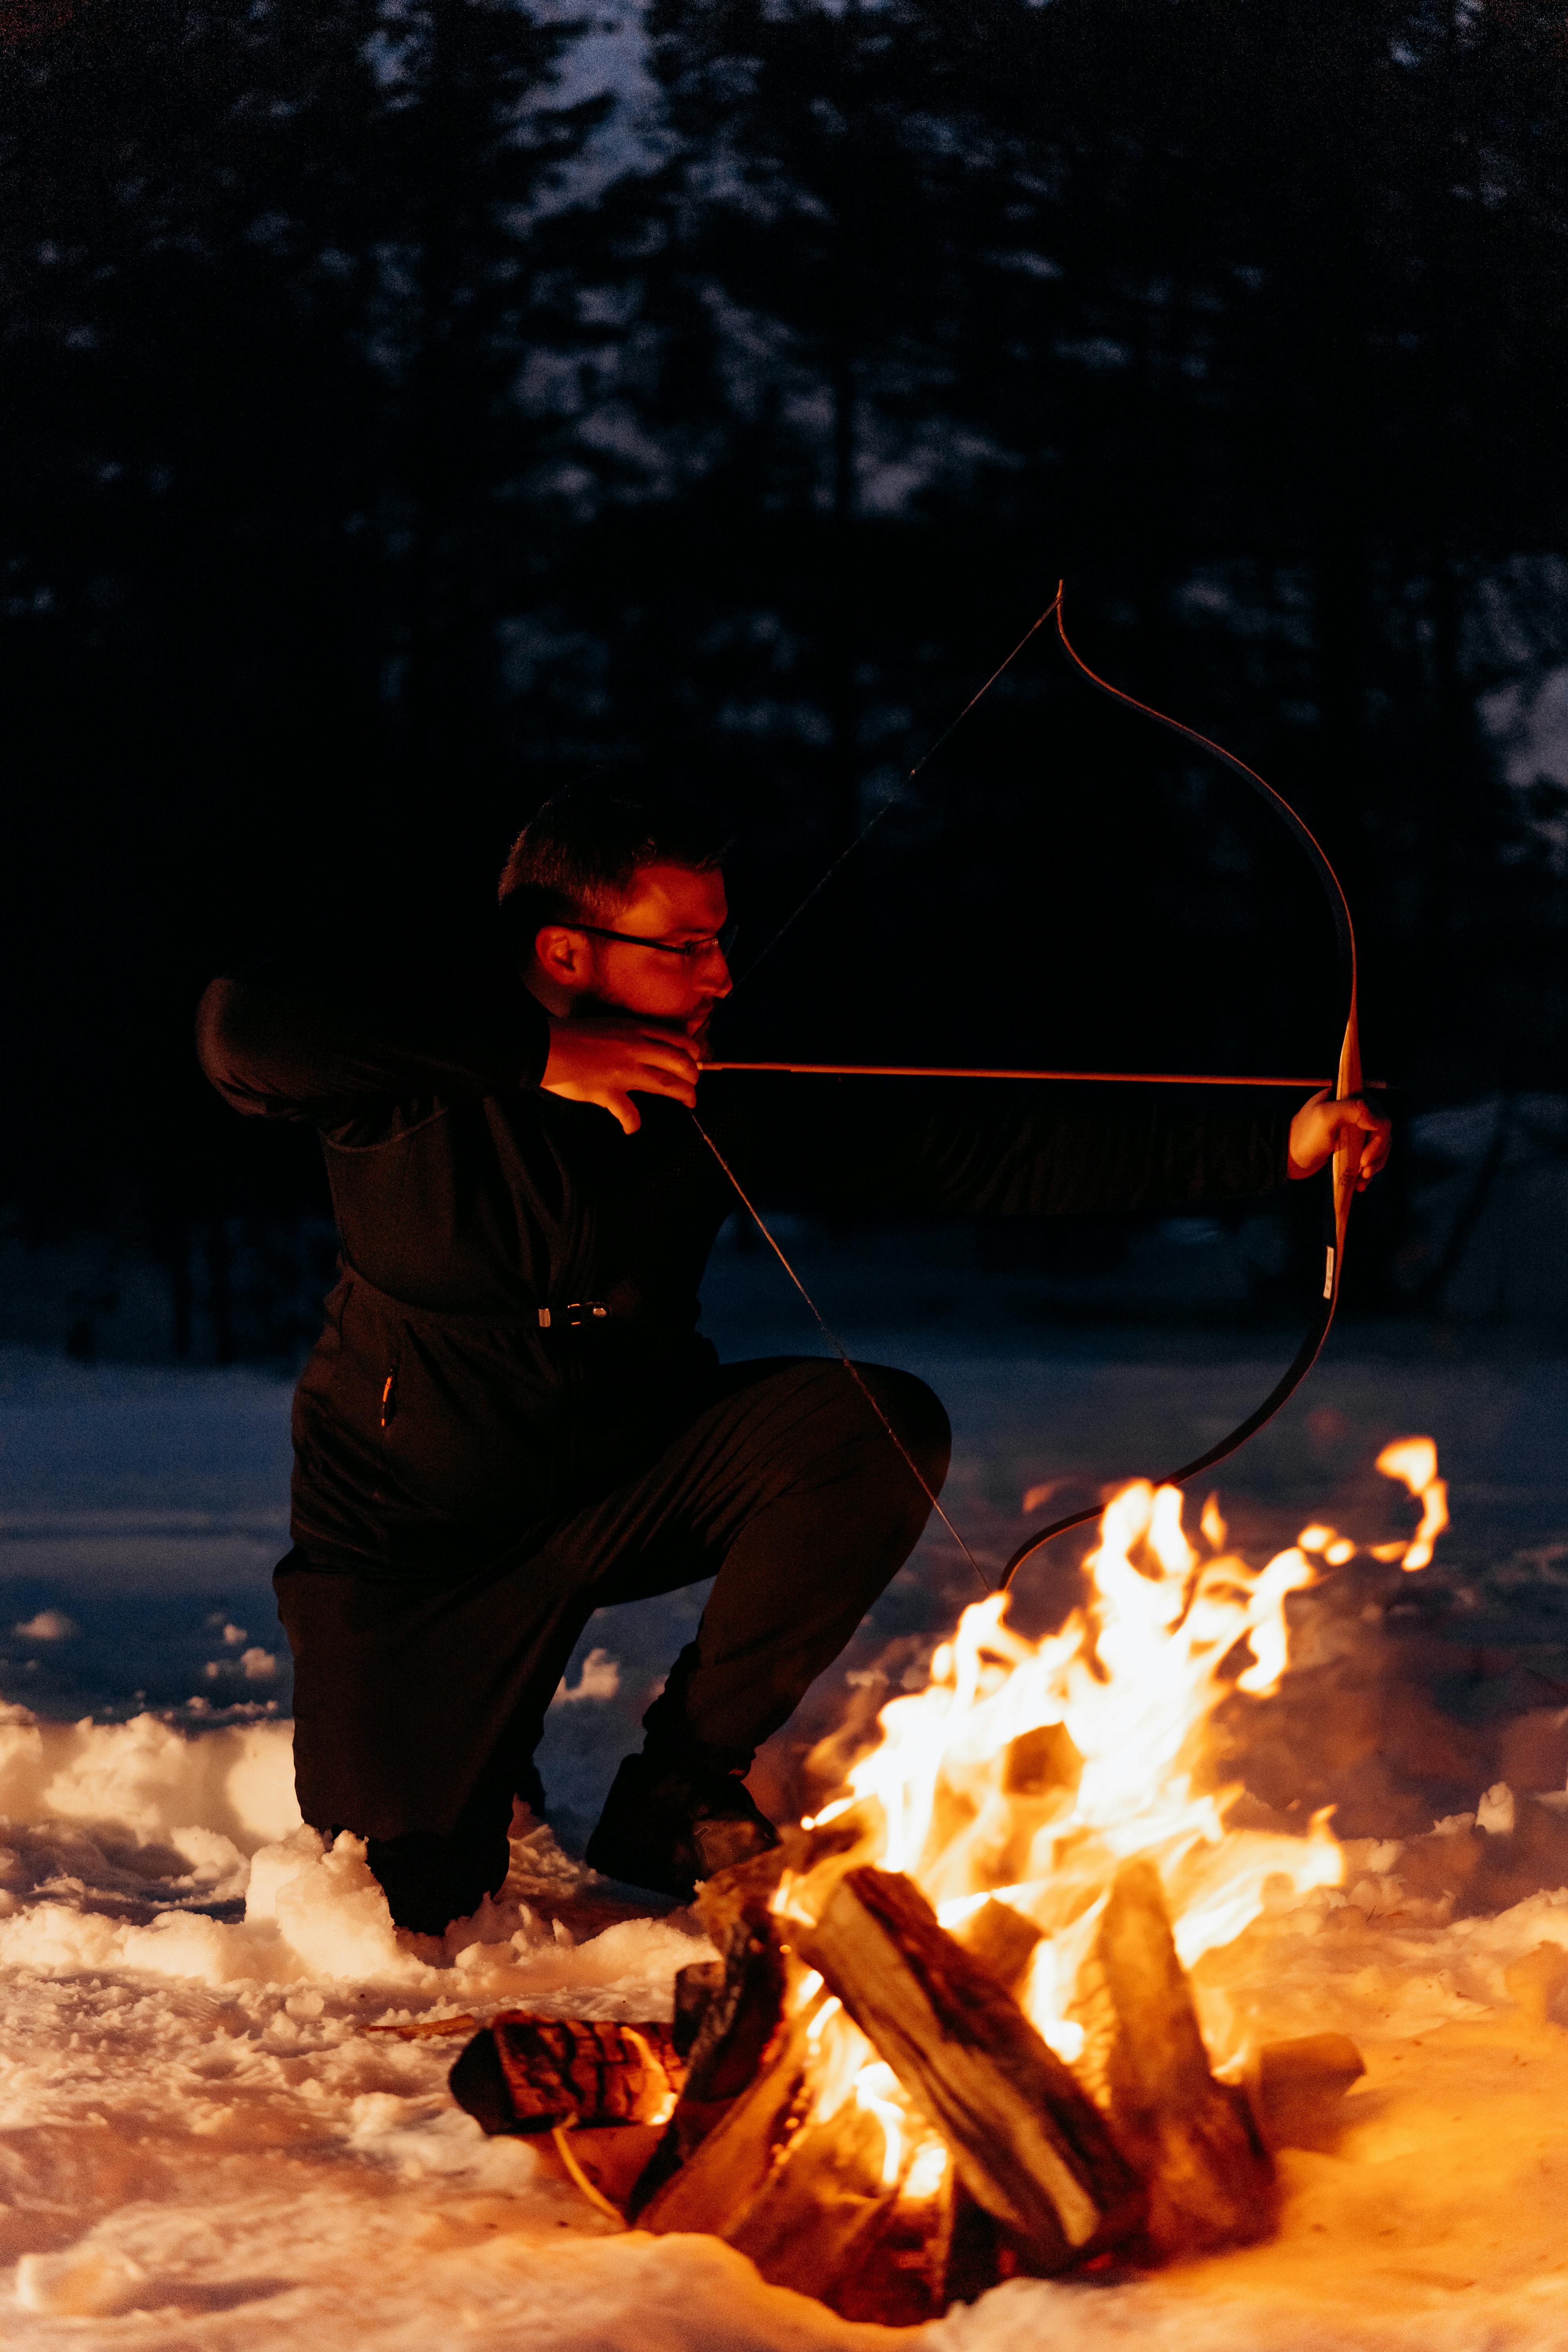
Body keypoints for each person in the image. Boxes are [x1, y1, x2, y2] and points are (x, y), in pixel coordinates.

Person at [196, 785, 1391, 1931]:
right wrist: (534, 1063)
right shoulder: (416, 1058)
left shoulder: (706, 1073)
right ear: (567, 952)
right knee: (407, 1901)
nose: (720, 974)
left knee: (869, 1424)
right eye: (686, 946)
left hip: (625, 1479)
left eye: (723, 941)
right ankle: (474, 1751)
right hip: (420, 1546)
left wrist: (1272, 1149)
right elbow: (239, 1031)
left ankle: (681, 1781)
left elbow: (967, 1152)